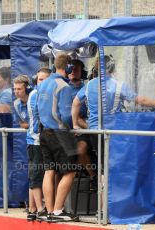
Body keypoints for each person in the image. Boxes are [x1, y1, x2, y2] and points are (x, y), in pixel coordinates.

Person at [37, 53, 78, 222]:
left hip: (44, 132)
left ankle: (49, 210)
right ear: (67, 67)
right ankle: (58, 211)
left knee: (49, 170)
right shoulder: (64, 86)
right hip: (60, 133)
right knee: (70, 171)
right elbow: (66, 114)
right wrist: (73, 127)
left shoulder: (43, 83)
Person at [26, 68, 51, 221]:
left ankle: (32, 209)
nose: (42, 82)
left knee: (36, 174)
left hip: (37, 140)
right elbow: (41, 116)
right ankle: (40, 209)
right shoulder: (36, 94)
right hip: (36, 140)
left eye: (45, 79)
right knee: (36, 175)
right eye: (40, 79)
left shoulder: (40, 94)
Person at [69, 59, 97, 190]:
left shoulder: (88, 87)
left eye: (77, 70)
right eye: (72, 69)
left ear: (83, 72)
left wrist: (88, 128)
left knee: (82, 149)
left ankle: (93, 177)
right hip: (66, 130)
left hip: (84, 129)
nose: (74, 72)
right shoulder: (63, 87)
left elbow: (82, 117)